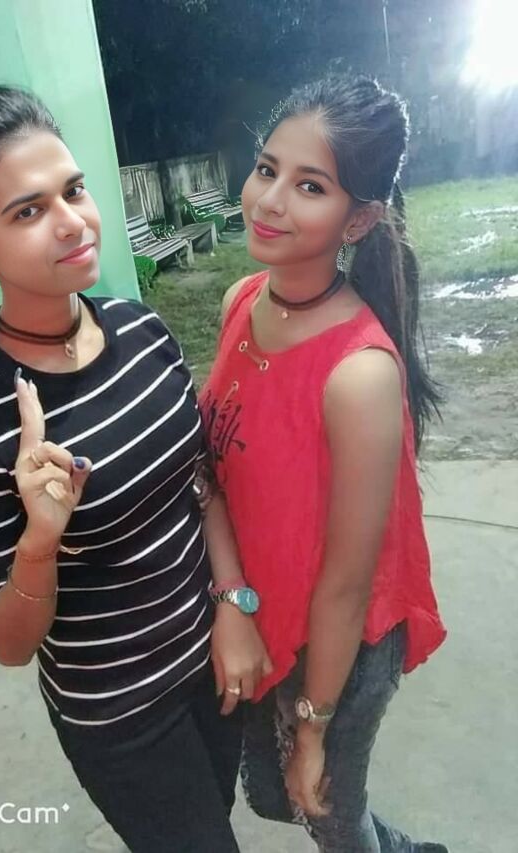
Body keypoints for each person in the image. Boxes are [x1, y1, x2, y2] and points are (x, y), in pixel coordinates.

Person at [0, 66, 272, 853]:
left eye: (74, 190)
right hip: (121, 716)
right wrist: (41, 536)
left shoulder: (142, 331)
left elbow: (201, 481)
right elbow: (7, 644)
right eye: (29, 211)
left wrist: (236, 605)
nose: (73, 222)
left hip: (214, 658)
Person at [199, 75, 448, 852]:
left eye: (310, 186)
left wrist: (312, 726)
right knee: (274, 798)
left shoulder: (358, 374)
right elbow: (216, 468)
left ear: (359, 219)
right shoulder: (242, 300)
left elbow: (345, 585)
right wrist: (234, 599)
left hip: (341, 641)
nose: (270, 201)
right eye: (266, 169)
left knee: (327, 809)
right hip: (259, 607)